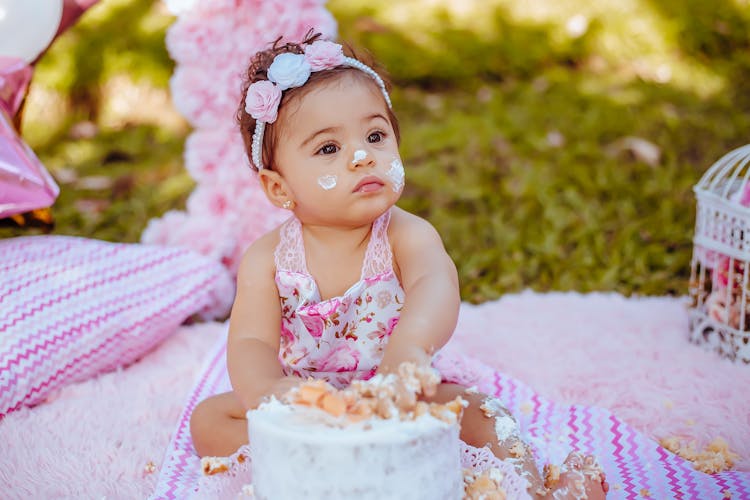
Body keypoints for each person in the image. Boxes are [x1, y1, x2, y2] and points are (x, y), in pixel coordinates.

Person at [189, 32, 608, 499]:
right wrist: (272, 393)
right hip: (314, 408)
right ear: (278, 188)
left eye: (375, 135)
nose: (362, 155)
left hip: (402, 393)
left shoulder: (407, 235)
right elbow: (250, 340)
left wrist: (407, 352)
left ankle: (524, 489)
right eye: (329, 149)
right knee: (209, 421)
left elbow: (436, 285)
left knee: (486, 413)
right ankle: (332, 470)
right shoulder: (268, 259)